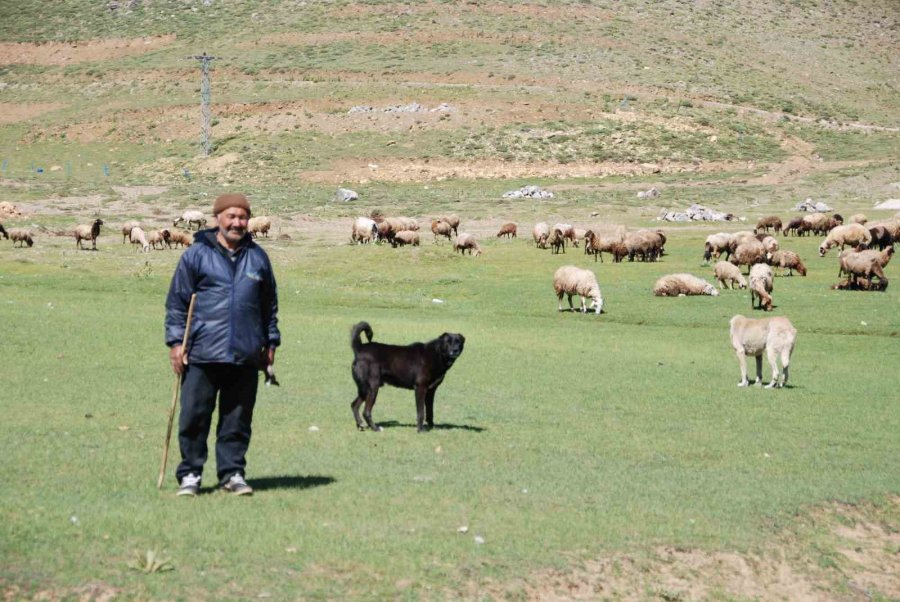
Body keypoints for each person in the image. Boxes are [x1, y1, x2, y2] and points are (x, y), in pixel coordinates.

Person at [165, 193, 280, 497]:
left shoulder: (258, 258)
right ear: (218, 218)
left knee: (237, 419)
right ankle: (190, 473)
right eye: (231, 216)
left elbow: (269, 306)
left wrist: (271, 343)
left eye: (242, 217)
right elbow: (177, 303)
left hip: (245, 353)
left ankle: (232, 474)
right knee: (194, 416)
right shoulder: (195, 255)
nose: (237, 223)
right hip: (201, 351)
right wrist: (176, 342)